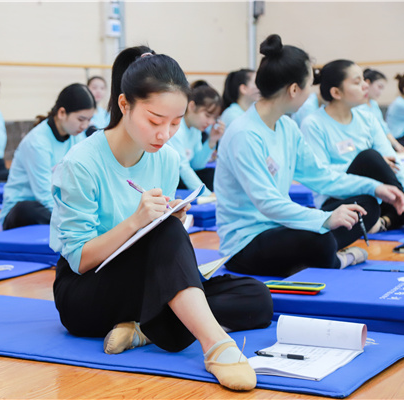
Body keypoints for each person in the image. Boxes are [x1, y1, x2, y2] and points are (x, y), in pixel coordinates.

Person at [50, 45, 273, 391]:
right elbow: (79, 260)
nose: (164, 134)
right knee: (168, 236)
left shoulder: (166, 159)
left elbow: (159, 245)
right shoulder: (81, 163)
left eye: (175, 122)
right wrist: (137, 222)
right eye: (155, 121)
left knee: (256, 298)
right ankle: (215, 345)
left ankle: (143, 331)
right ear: (124, 105)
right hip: (86, 291)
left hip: (143, 284)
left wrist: (171, 219)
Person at [214, 34, 404, 278]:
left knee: (366, 208)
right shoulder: (244, 133)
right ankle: (334, 259)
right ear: (294, 89)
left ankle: (315, 259)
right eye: (308, 87)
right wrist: (325, 218)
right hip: (246, 243)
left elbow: (321, 176)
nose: (310, 96)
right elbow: (268, 203)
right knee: (321, 240)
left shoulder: (287, 127)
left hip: (279, 227)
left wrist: (375, 187)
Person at [301, 60, 404, 233]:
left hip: (380, 193)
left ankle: (386, 221)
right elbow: (321, 175)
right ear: (336, 92)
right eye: (357, 82)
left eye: (364, 80)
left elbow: (394, 162)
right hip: (340, 198)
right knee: (370, 159)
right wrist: (372, 167)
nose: (366, 86)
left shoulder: (367, 118)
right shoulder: (313, 124)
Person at [0, 83, 95, 229]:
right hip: (22, 210)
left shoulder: (76, 136)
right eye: (81, 119)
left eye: (89, 120)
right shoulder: (37, 142)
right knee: (30, 209)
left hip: (58, 205)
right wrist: (72, 219)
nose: (84, 126)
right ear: (62, 113)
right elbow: (44, 194)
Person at [167, 84, 224, 194]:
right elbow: (183, 168)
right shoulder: (177, 128)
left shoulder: (196, 129)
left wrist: (211, 141)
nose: (211, 122)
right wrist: (207, 195)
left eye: (214, 118)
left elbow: (196, 165)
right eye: (207, 115)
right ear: (192, 106)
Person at [358, 68, 404, 152]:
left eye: (382, 88)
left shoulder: (373, 104)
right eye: (379, 87)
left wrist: (395, 144)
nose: (380, 92)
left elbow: (383, 127)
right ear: (367, 83)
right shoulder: (357, 106)